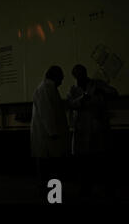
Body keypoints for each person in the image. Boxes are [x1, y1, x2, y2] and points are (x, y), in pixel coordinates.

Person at [67, 64, 118, 196]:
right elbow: (71, 104)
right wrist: (82, 99)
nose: (79, 78)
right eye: (77, 76)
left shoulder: (98, 84)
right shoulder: (73, 90)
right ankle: (85, 187)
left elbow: (114, 92)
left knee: (101, 159)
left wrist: (102, 92)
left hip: (98, 129)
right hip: (82, 131)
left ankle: (107, 188)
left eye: (81, 75)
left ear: (85, 73)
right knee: (84, 161)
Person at [30, 66, 69, 196]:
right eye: (61, 78)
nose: (62, 82)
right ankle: (52, 194)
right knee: (50, 166)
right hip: (48, 137)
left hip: (47, 136)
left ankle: (49, 192)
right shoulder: (46, 89)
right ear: (55, 77)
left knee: (47, 166)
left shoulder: (46, 88)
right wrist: (53, 132)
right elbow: (47, 113)